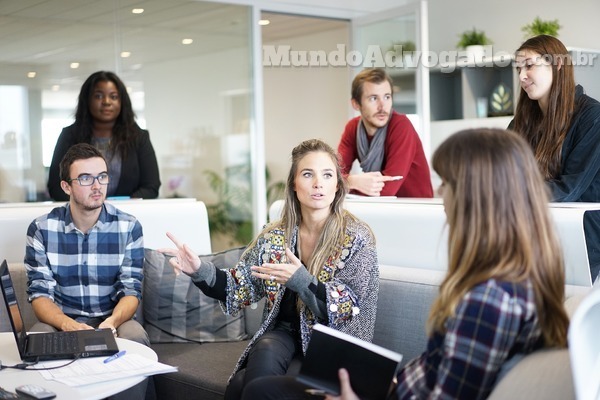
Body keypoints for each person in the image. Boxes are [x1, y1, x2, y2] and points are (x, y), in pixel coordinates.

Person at [251, 129, 570, 400]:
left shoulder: (489, 301)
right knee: (254, 385)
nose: (441, 193)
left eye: (446, 183)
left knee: (259, 391)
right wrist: (390, 382)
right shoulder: (516, 279)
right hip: (395, 388)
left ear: (477, 197)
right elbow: (438, 373)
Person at [160, 139, 379, 400]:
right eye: (308, 174)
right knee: (264, 348)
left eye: (327, 175)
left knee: (243, 384)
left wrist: (300, 280)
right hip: (284, 334)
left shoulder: (356, 237)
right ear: (294, 185)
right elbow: (238, 286)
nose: (318, 183)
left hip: (332, 346)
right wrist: (198, 269)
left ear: (337, 186)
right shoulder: (275, 236)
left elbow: (345, 307)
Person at [26, 143, 149, 347]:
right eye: (85, 178)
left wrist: (111, 322)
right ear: (66, 187)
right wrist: (68, 324)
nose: (97, 186)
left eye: (102, 176)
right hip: (61, 321)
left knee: (135, 336)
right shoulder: (41, 229)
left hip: (114, 320)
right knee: (37, 337)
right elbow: (39, 295)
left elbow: (131, 290)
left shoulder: (129, 227)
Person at [510, 34, 600, 282]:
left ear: (557, 64)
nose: (521, 76)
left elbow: (569, 188)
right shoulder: (521, 122)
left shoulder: (592, 117)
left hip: (582, 240)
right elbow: (501, 173)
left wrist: (510, 191)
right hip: (533, 233)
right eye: (519, 68)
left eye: (529, 65)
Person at [47, 70, 161, 201]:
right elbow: (56, 188)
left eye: (113, 96)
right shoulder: (69, 136)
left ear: (122, 102)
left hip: (127, 216)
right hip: (81, 217)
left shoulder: (139, 138)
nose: (107, 102)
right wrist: (89, 205)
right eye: (98, 96)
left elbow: (151, 187)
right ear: (87, 100)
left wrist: (120, 207)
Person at [337, 68, 433, 198]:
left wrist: (346, 184)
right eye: (373, 98)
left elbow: (387, 190)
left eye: (387, 97)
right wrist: (352, 181)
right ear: (356, 104)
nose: (382, 106)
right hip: (380, 208)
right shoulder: (352, 128)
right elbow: (333, 176)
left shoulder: (401, 126)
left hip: (416, 210)